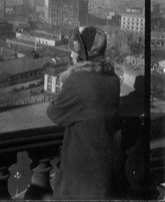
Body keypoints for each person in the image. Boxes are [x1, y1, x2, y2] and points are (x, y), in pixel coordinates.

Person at [47, 26, 127, 200]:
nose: (72, 55)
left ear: (84, 54)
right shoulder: (113, 79)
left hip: (80, 175)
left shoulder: (78, 80)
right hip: (105, 172)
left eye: (76, 51)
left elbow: (53, 113)